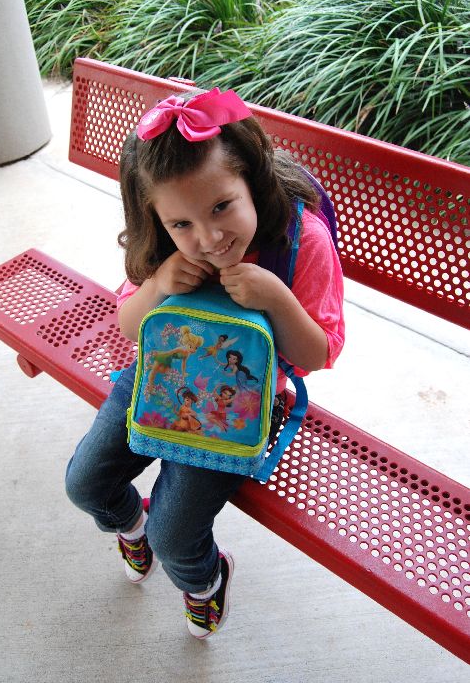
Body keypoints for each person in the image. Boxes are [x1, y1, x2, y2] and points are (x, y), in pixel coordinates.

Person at [65, 86, 345, 639]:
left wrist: (277, 299)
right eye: (182, 225)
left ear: (252, 180)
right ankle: (131, 523)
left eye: (221, 207)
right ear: (158, 218)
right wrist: (157, 286)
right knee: (86, 484)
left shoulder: (300, 242)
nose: (210, 238)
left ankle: (205, 581)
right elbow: (131, 327)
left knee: (174, 536)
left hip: (241, 401)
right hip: (159, 378)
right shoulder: (165, 248)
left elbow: (318, 353)